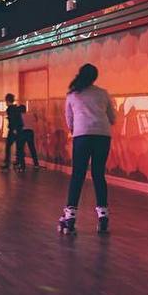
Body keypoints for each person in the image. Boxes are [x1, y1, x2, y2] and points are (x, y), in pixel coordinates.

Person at [59, 63, 117, 235]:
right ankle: (103, 217)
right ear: (94, 77)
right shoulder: (103, 93)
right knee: (98, 174)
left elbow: (69, 119)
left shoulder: (73, 94)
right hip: (103, 136)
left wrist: (75, 129)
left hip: (82, 136)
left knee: (78, 175)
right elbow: (112, 117)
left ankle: (70, 217)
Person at [0, 93, 24, 170]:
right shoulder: (16, 108)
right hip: (19, 129)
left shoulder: (10, 109)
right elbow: (18, 118)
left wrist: (13, 129)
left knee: (8, 146)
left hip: (13, 130)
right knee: (19, 147)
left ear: (7, 101)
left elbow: (13, 119)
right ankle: (21, 164)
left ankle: (7, 164)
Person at [18, 103, 41, 170]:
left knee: (21, 149)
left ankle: (22, 166)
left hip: (23, 132)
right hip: (30, 132)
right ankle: (36, 164)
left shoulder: (19, 116)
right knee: (32, 148)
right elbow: (36, 119)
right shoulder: (30, 115)